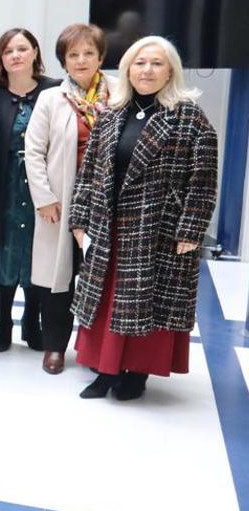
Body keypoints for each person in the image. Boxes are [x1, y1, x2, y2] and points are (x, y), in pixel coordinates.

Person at [70, 36, 217, 400]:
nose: (147, 70)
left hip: (158, 230)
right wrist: (79, 219)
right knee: (106, 299)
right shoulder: (111, 114)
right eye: (140, 63)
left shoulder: (189, 118)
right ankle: (104, 371)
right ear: (127, 70)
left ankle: (136, 373)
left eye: (156, 63)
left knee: (145, 304)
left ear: (170, 71)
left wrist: (191, 229)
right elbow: (89, 173)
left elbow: (203, 180)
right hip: (108, 225)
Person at [24, 23, 114, 374]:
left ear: (101, 57)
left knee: (102, 276)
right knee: (58, 278)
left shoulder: (120, 93)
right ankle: (55, 347)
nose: (81, 60)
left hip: (107, 202)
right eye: (73, 54)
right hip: (60, 201)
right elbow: (34, 151)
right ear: (63, 61)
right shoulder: (51, 98)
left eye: (89, 53)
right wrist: (44, 198)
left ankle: (97, 350)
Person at [0, 28, 60, 355]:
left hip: (43, 185)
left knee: (36, 253)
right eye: (8, 51)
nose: (15, 55)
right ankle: (3, 322)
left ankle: (32, 320)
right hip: (4, 184)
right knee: (4, 253)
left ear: (35, 53)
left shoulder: (54, 90)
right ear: (1, 58)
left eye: (22, 49)